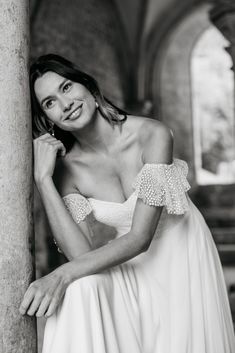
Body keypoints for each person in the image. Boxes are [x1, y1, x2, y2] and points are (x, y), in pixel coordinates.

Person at [20, 54, 235, 353]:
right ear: (47, 119)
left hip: (180, 254)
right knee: (82, 289)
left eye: (66, 87)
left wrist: (58, 275)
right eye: (50, 102)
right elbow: (81, 255)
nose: (65, 104)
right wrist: (43, 180)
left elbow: (140, 237)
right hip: (128, 266)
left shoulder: (152, 134)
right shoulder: (67, 170)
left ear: (88, 86)